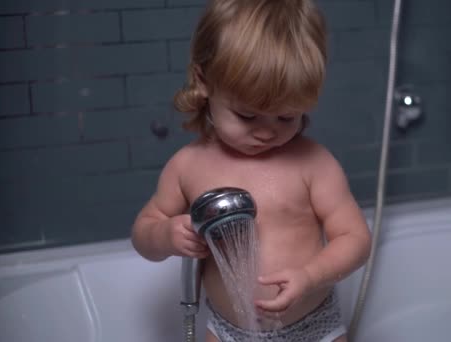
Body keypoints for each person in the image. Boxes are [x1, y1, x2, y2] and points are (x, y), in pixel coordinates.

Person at [131, 0, 371, 341]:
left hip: (313, 327)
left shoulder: (314, 163)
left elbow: (356, 239)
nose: (267, 131)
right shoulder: (188, 166)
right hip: (229, 331)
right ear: (204, 82)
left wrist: (311, 275)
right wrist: (166, 235)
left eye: (287, 116)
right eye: (248, 115)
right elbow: (143, 233)